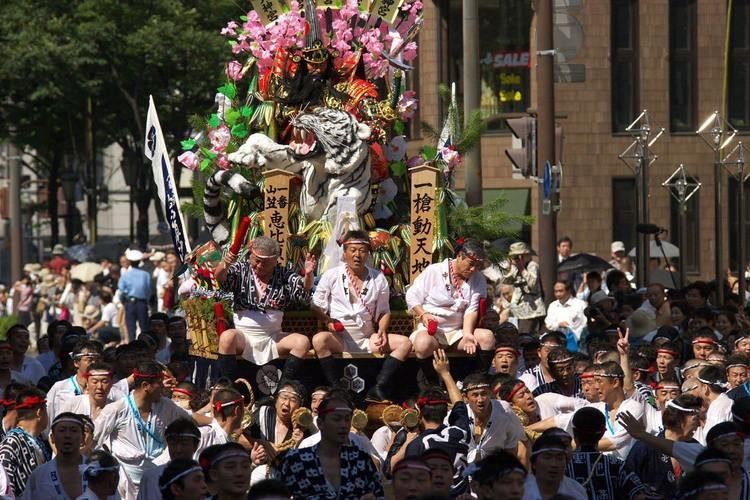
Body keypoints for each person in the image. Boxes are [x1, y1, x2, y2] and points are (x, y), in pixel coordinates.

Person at [311, 230, 410, 400]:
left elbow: (384, 312)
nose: (358, 255)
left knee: (405, 343)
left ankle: (378, 387)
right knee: (319, 340)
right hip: (339, 337)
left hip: (366, 337)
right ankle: (335, 388)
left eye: (362, 251)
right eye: (353, 250)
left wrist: (382, 330)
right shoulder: (332, 275)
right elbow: (315, 306)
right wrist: (327, 321)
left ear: (368, 254)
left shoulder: (378, 278)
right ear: (345, 252)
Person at [214, 236, 315, 381]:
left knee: (302, 342)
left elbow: (303, 288)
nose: (260, 266)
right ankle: (229, 386)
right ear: (251, 256)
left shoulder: (284, 274)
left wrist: (309, 274)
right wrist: (225, 264)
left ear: (275, 261)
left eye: (265, 263)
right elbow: (221, 278)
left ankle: (284, 385)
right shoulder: (242, 269)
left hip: (272, 336)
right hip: (244, 336)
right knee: (226, 338)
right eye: (257, 261)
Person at [93, 360, 191, 498]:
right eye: (159, 382)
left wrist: (212, 421)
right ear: (146, 385)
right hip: (124, 482)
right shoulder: (117, 409)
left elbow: (190, 420)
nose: (164, 387)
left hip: (157, 479)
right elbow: (93, 440)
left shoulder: (166, 406)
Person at [406, 239, 495, 385]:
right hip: (432, 330)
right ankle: (433, 386)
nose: (473, 270)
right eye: (471, 264)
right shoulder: (434, 270)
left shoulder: (478, 279)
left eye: (477, 266)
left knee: (487, 337)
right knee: (422, 344)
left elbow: (471, 309)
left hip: (458, 331)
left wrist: (467, 334)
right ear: (459, 256)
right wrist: (423, 314)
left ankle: (478, 381)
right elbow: (411, 295)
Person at [278, 389, 384, 499]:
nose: (343, 425)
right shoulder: (296, 461)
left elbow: (379, 494)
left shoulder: (362, 461)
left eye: (347, 419)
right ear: (320, 423)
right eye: (336, 419)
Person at [565, 407, 647, 499]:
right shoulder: (617, 466)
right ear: (602, 433)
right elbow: (639, 495)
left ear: (574, 432)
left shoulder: (562, 465)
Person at [21, 412, 86, 499]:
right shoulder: (39, 475)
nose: (67, 435)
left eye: (73, 430)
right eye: (62, 430)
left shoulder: (98, 472)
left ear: (83, 437)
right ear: (52, 438)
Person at [0, 387, 51, 496]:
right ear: (39, 412)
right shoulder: (11, 441)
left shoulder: (38, 440)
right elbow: (5, 488)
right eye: (46, 409)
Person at [591, 361, 645, 460]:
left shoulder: (633, 407)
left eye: (599, 381)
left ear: (615, 382)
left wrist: (580, 445)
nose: (595, 386)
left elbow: (616, 442)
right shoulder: (596, 409)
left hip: (628, 471)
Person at [138, 418, 201, 500]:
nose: (178, 450)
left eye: (184, 443)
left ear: (195, 446)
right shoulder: (152, 476)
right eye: (173, 444)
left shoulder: (203, 476)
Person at [46, 339, 103, 422]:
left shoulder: (105, 388)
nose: (94, 364)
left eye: (97, 360)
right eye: (89, 360)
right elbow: (48, 416)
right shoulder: (60, 388)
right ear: (76, 363)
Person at [522, 431, 587, 499]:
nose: (554, 464)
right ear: (534, 463)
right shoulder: (519, 491)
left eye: (559, 458)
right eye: (547, 457)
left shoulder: (577, 491)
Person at [502, 242, 546, 335]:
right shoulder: (515, 267)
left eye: (519, 256)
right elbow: (506, 281)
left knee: (525, 335)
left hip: (531, 310)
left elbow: (532, 283)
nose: (518, 259)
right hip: (518, 308)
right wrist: (510, 267)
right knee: (518, 335)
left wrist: (522, 269)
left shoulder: (532, 265)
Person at [118, 249, 151, 342]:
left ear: (129, 262)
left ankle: (132, 347)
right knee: (144, 327)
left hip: (130, 303)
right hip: (142, 303)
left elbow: (121, 288)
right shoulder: (146, 274)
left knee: (131, 328)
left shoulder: (126, 275)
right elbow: (148, 290)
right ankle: (145, 346)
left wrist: (126, 297)